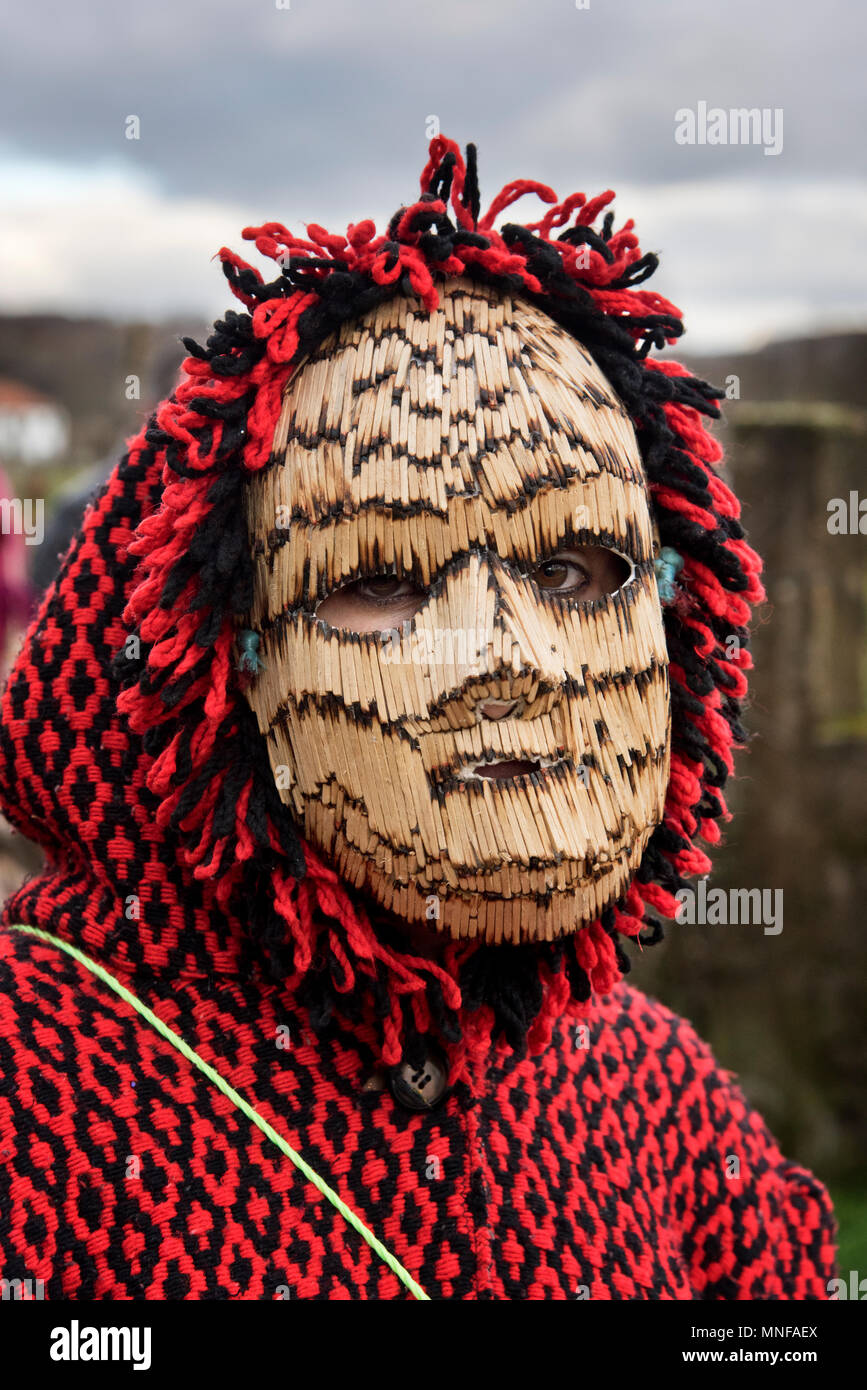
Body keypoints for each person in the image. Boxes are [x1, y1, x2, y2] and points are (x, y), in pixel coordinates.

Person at [0, 136, 837, 1300]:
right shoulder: (32, 1097)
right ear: (219, 659)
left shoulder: (654, 1096)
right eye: (380, 582)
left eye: (578, 571)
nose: (506, 658)